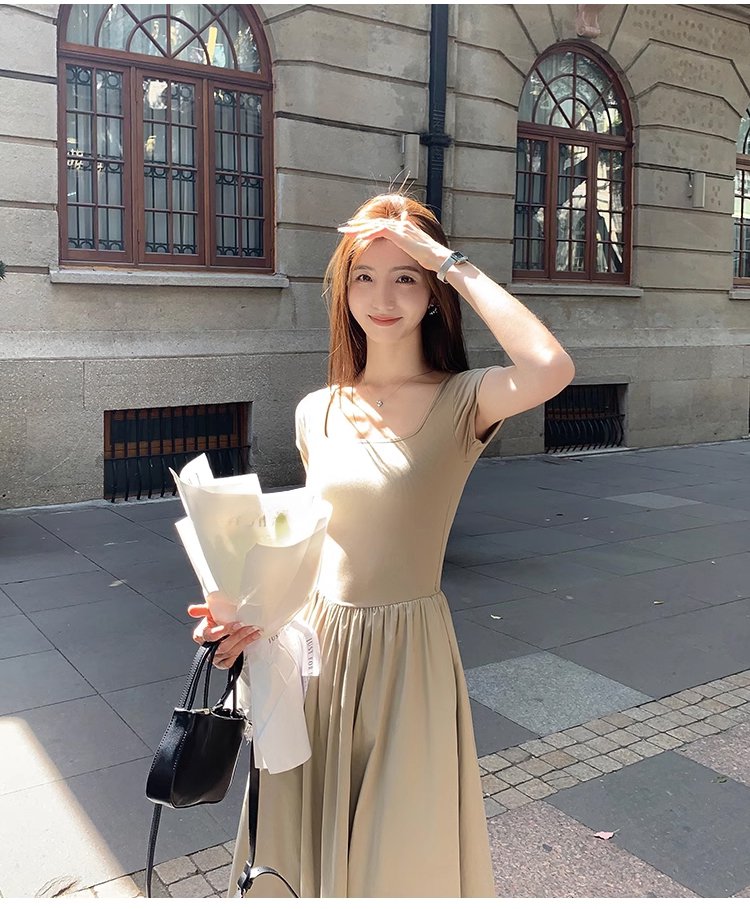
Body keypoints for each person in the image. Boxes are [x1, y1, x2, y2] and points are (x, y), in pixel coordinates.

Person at [188, 192, 575, 897]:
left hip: (406, 656)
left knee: (398, 858)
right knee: (301, 849)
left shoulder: (463, 398)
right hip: (316, 652)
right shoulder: (317, 410)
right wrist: (243, 616)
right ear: (344, 290)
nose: (383, 297)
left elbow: (550, 367)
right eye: (363, 276)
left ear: (432, 293)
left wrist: (449, 261)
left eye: (405, 277)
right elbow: (310, 553)